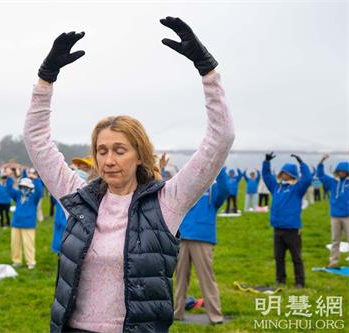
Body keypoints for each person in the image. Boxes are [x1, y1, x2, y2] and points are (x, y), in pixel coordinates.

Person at [23, 17, 234, 332]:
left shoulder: (167, 202)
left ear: (140, 156)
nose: (108, 160)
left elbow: (221, 139)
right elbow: (36, 141)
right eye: (102, 150)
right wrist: (45, 79)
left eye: (120, 150)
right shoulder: (78, 201)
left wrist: (207, 71)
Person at [174, 168, 229, 324]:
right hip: (183, 237)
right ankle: (177, 313)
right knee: (180, 278)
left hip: (202, 239)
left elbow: (225, 189)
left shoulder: (213, 192)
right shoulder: (187, 190)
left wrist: (219, 167)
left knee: (206, 278)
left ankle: (215, 316)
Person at [262, 152, 312, 288]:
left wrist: (302, 164)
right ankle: (280, 279)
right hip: (277, 229)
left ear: (292, 175)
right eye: (282, 173)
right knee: (279, 257)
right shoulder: (276, 187)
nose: (284, 175)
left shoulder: (297, 189)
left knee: (296, 258)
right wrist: (266, 163)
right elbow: (266, 177)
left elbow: (307, 178)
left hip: (292, 230)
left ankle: (299, 282)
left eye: (287, 173)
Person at [317, 154, 349, 268]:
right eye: (339, 171)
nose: (341, 173)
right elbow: (320, 175)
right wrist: (321, 162)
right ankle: (334, 261)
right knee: (335, 240)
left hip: (347, 216)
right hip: (335, 216)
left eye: (344, 171)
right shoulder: (332, 182)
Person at [7, 177, 44, 269]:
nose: (24, 188)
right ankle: (17, 261)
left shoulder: (34, 196)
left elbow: (40, 190)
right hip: (16, 223)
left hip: (28, 224)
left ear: (30, 187)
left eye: (26, 187)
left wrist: (36, 180)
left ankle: (31, 262)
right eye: (22, 187)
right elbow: (9, 190)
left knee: (29, 244)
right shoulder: (18, 195)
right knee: (15, 244)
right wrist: (9, 178)